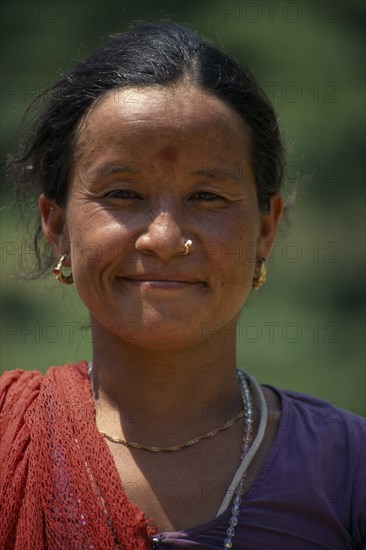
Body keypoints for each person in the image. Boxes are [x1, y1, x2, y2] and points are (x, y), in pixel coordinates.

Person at [0, 22, 365, 550]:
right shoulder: (13, 444)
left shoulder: (346, 469)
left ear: (265, 228)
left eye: (207, 197)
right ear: (56, 225)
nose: (165, 239)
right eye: (123, 193)